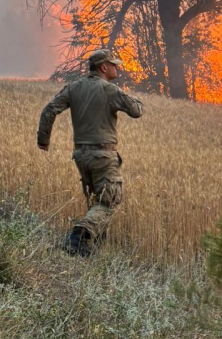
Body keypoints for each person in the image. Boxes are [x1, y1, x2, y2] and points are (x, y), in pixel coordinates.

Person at [37, 49, 143, 256]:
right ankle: (79, 236)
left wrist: (43, 140)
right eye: (113, 64)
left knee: (97, 201)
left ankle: (89, 248)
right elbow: (136, 111)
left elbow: (49, 110)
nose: (117, 67)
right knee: (110, 201)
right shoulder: (109, 90)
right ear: (103, 67)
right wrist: (134, 98)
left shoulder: (74, 88)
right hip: (103, 155)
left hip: (80, 156)